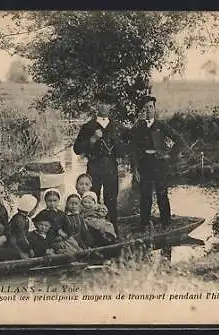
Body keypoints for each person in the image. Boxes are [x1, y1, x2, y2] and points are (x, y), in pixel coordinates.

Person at [131, 95, 186, 260]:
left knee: (162, 194)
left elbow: (179, 140)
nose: (148, 110)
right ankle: (144, 224)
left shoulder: (161, 125)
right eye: (145, 107)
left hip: (159, 165)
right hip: (144, 166)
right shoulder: (138, 128)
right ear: (141, 111)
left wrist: (169, 156)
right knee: (145, 195)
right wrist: (134, 170)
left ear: (155, 109)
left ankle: (166, 223)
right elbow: (132, 149)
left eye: (151, 107)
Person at [73, 101, 125, 237]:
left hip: (111, 168)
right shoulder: (88, 126)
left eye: (106, 104)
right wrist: (92, 139)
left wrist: (120, 154)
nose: (103, 106)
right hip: (94, 168)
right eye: (100, 104)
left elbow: (129, 143)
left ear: (111, 106)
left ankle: (113, 233)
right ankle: (91, 234)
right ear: (96, 106)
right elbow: (77, 149)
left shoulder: (117, 126)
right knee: (90, 200)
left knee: (111, 201)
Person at [8, 194, 38, 259]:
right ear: (30, 208)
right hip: (14, 245)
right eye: (34, 208)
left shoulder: (23, 218)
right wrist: (29, 249)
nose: (35, 211)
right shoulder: (20, 220)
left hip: (18, 243)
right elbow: (21, 236)